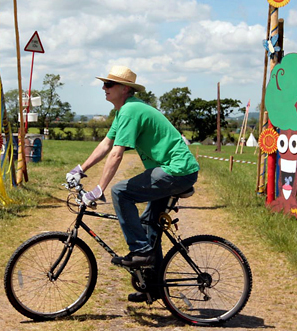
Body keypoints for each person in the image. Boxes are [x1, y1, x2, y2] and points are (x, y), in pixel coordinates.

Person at [66, 66, 199, 274]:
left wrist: (100, 189)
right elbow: (105, 144)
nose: (103, 87)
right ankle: (153, 285)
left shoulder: (130, 110)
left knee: (120, 192)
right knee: (148, 225)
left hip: (177, 170)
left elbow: (116, 154)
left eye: (109, 84)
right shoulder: (123, 111)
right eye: (104, 83)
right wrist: (79, 169)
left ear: (124, 89)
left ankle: (141, 251)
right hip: (173, 170)